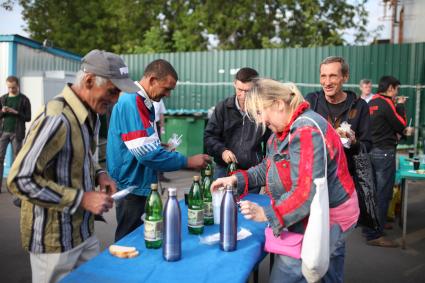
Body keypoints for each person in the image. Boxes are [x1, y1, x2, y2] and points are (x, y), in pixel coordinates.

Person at [211, 79, 359, 283]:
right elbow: (267, 168)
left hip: (329, 216)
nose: (262, 122)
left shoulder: (306, 131)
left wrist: (267, 214)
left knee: (294, 270)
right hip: (320, 213)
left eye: (261, 113)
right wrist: (235, 179)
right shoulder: (282, 134)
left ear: (279, 104)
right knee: (326, 268)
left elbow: (306, 193)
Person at [6, 49, 135, 283]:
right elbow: (19, 179)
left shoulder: (90, 113)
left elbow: (81, 155)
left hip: (84, 232)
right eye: (112, 91)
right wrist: (82, 199)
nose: (115, 99)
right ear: (88, 81)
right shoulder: (57, 118)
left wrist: (100, 174)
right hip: (56, 242)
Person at [107, 59, 210, 241]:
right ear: (153, 80)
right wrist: (187, 161)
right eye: (167, 88)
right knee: (128, 239)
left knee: (141, 235)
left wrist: (159, 146)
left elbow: (142, 142)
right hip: (132, 184)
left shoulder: (143, 102)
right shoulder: (132, 102)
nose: (168, 94)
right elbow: (147, 154)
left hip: (139, 182)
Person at [305, 56, 398, 247]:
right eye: (323, 76)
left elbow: (367, 144)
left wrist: (354, 142)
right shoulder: (312, 101)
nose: (327, 82)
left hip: (343, 180)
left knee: (336, 242)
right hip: (314, 178)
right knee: (312, 237)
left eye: (333, 76)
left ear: (345, 77)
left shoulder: (359, 105)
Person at [204, 67, 270, 193]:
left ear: (256, 88)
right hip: (223, 171)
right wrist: (222, 151)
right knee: (221, 207)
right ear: (234, 84)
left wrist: (269, 176)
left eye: (248, 91)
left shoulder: (263, 110)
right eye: (240, 90)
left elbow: (271, 144)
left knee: (248, 210)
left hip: (251, 173)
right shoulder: (223, 108)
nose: (243, 95)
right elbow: (209, 137)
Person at [366, 75, 411, 246]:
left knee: (372, 192)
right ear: (391, 88)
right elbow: (401, 125)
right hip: (384, 152)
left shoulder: (371, 102)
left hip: (371, 151)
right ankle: (375, 234)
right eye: (396, 89)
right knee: (383, 194)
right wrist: (400, 105)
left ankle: (374, 226)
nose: (396, 93)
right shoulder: (387, 103)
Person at [0, 76, 31, 192]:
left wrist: (16, 112)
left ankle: (13, 187)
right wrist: (3, 112)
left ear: (18, 86)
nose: (11, 90)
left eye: (13, 87)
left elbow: (28, 118)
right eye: (9, 88)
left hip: (17, 133)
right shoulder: (3, 99)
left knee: (16, 160)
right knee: (0, 158)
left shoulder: (24, 100)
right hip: (3, 133)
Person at [153, 99, 170, 182]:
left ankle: (160, 175)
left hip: (156, 124)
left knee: (159, 149)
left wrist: (162, 127)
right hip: (147, 124)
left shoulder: (159, 100)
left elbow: (161, 113)